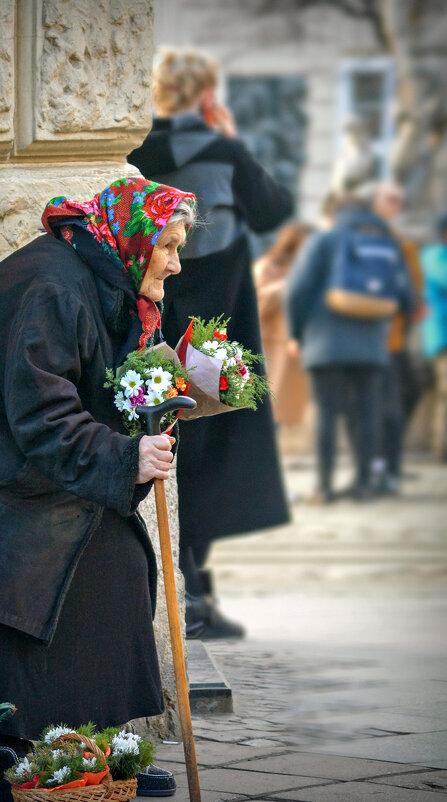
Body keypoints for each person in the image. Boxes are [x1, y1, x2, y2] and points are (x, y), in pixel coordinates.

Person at [0, 177, 196, 799]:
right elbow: (44, 416)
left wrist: (161, 404)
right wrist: (124, 455)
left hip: (3, 443)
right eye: (167, 245)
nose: (176, 261)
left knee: (114, 549)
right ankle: (20, 748)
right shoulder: (54, 285)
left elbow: (86, 384)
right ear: (134, 241)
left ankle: (84, 747)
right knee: (83, 555)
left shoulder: (100, 276)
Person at [128, 47, 292, 639]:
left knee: (167, 447)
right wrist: (230, 135)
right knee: (212, 457)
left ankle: (191, 591)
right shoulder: (221, 150)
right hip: (218, 341)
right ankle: (195, 595)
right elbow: (276, 207)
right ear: (206, 94)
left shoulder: (140, 151)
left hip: (159, 331)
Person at [285, 198, 415, 503]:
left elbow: (297, 290)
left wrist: (296, 333)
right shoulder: (386, 246)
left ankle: (325, 487)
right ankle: (363, 484)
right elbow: (407, 298)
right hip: (371, 345)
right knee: (369, 412)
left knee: (327, 413)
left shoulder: (324, 241)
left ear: (335, 215)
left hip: (325, 343)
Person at [368, 181, 424, 492]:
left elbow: (412, 288)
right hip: (379, 338)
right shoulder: (382, 241)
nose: (396, 205)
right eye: (390, 199)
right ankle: (382, 467)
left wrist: (415, 305)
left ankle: (387, 465)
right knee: (385, 405)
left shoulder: (402, 242)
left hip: (396, 335)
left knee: (404, 395)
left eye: (399, 200)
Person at [255, 222, 313, 427]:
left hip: (295, 349)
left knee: (282, 412)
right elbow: (256, 305)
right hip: (269, 343)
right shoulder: (268, 267)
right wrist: (285, 287)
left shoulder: (309, 272)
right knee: (265, 406)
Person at [420, 210, 447, 461]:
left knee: (445, 393)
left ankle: (443, 446)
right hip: (444, 336)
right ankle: (443, 447)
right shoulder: (434, 255)